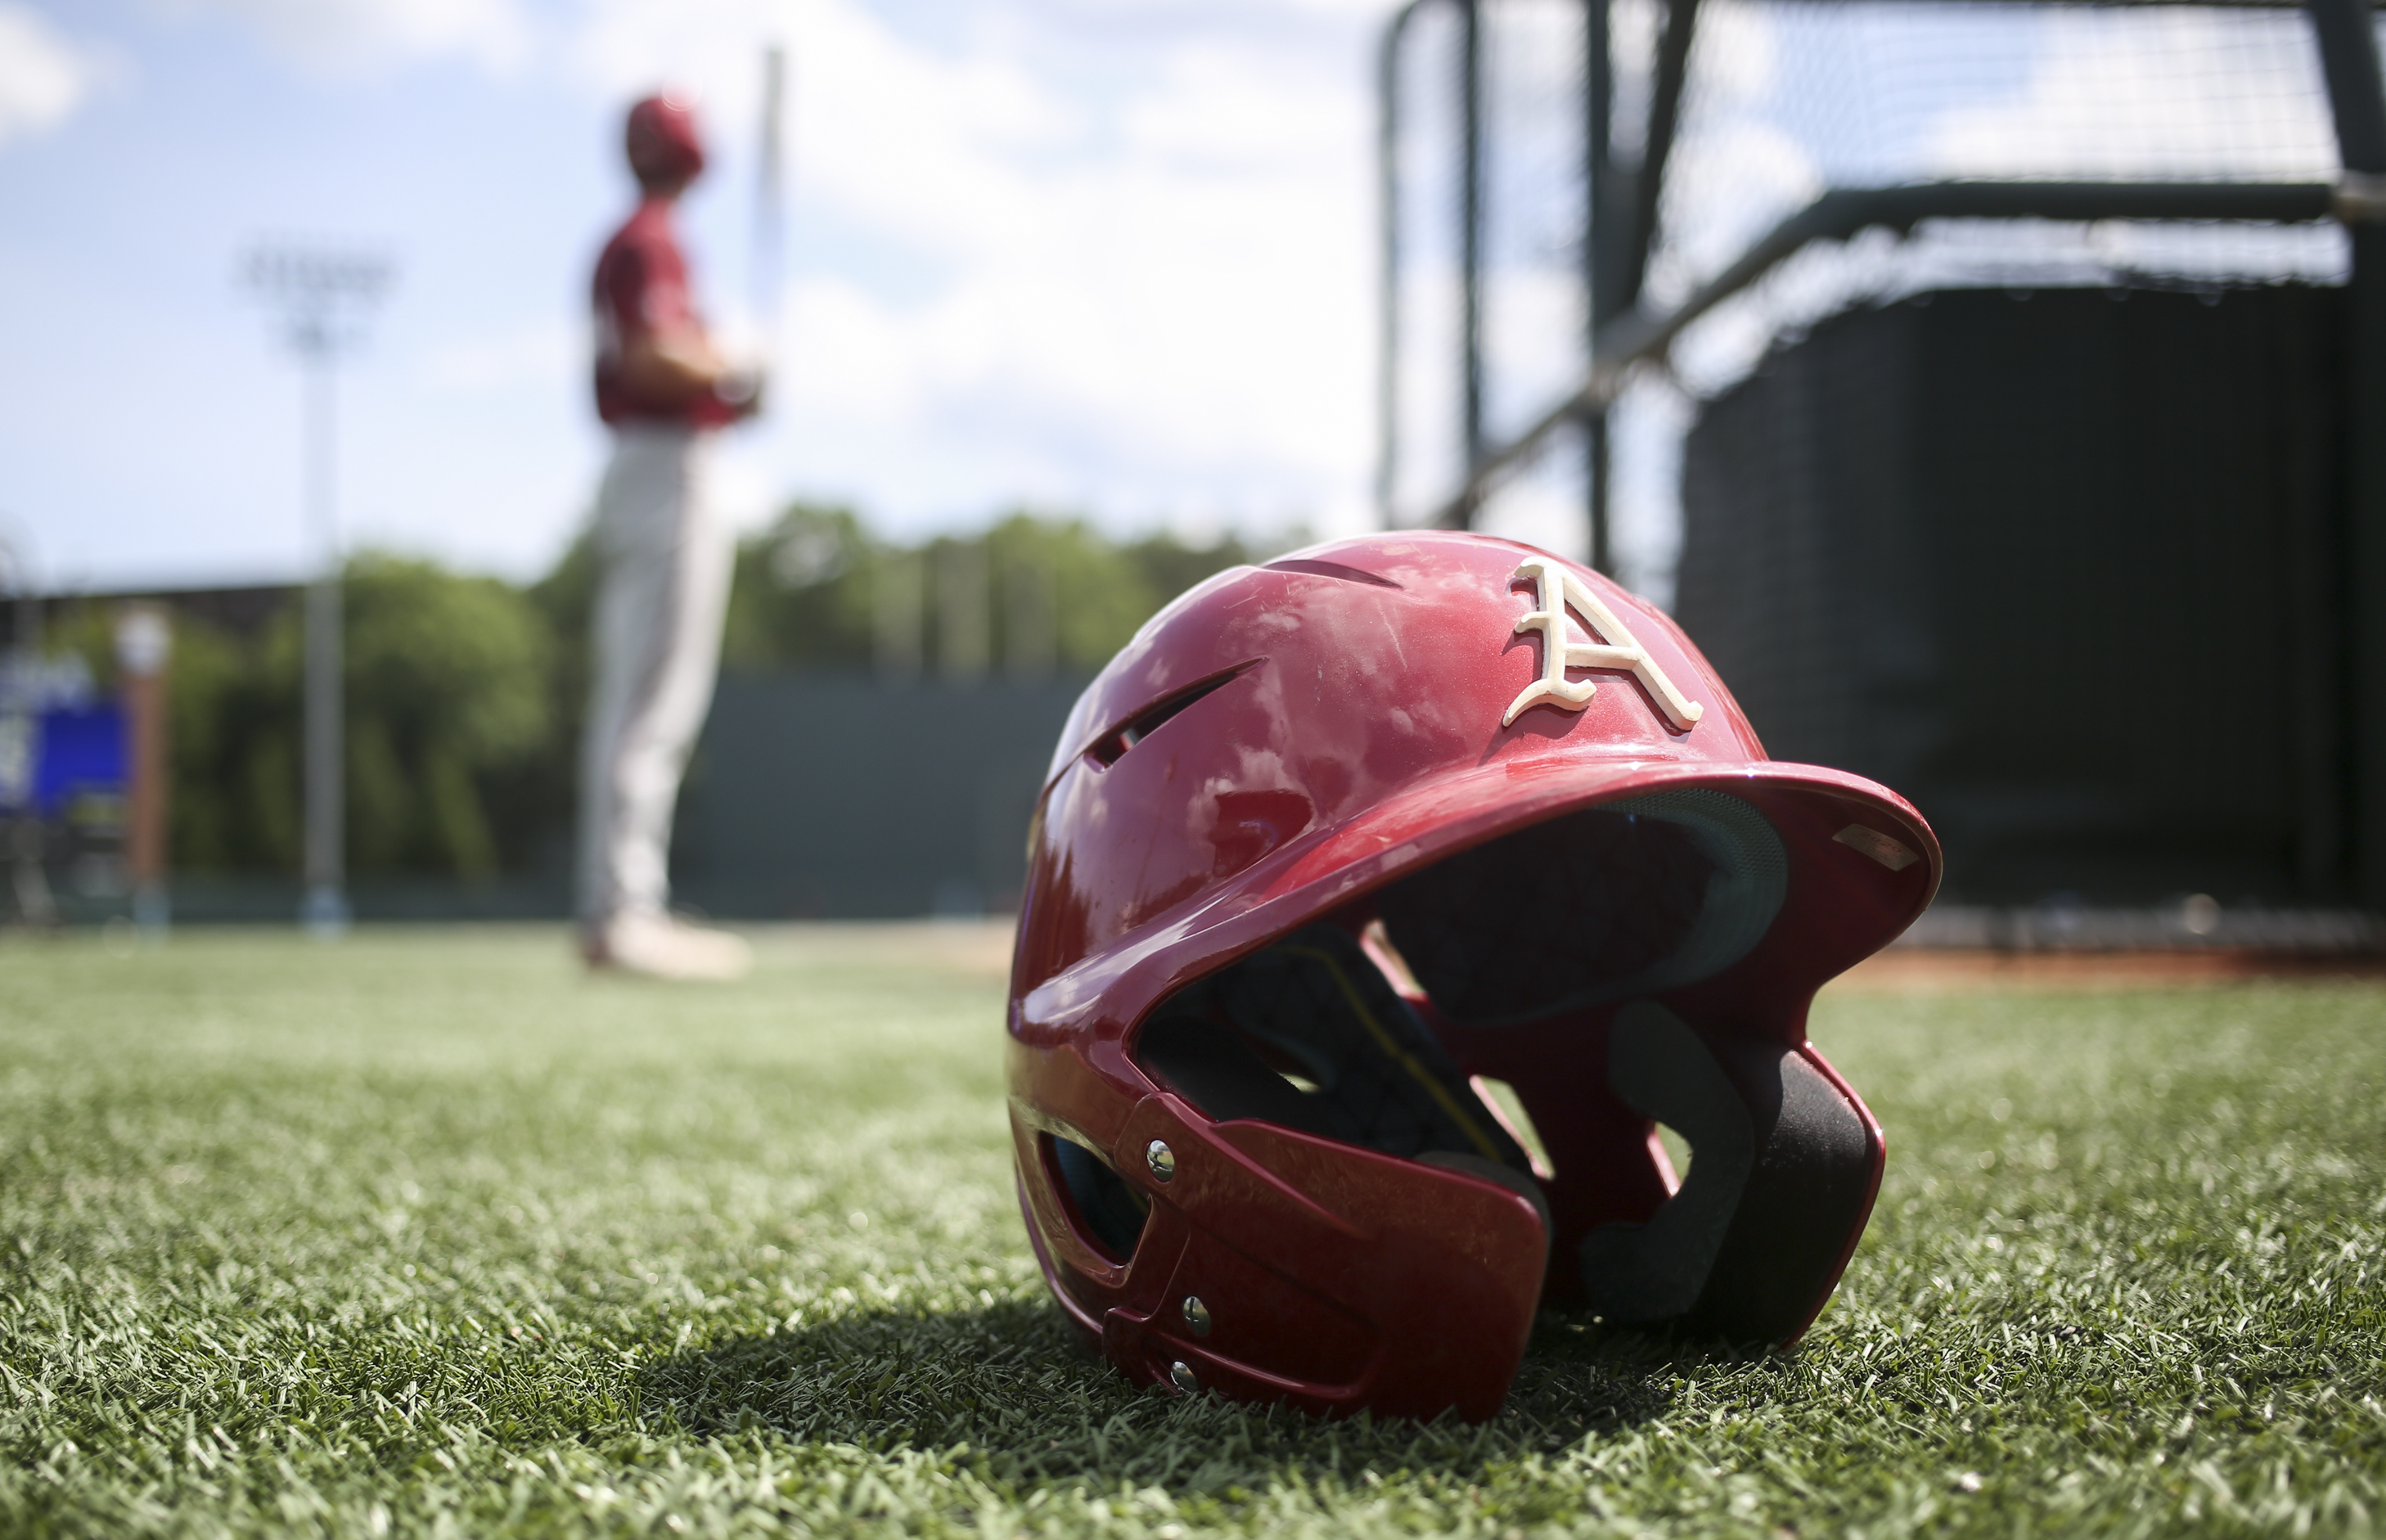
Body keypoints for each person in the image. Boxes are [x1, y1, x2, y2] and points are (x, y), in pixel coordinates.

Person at [578, 93, 762, 980]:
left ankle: (615, 905)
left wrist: (733, 382)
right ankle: (625, 911)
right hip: (665, 464)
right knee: (653, 697)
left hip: (652, 461)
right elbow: (657, 353)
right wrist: (741, 362)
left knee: (638, 696)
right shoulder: (650, 237)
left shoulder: (641, 236)